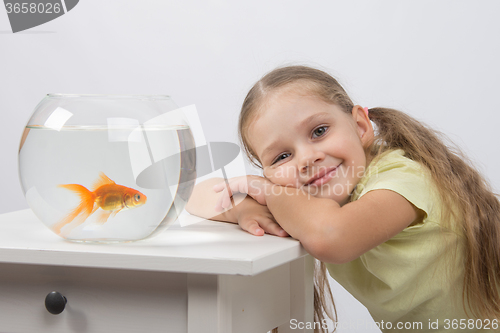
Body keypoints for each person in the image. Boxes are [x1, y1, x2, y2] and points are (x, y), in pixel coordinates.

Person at [185, 65, 500, 332]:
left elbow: (333, 237)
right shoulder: (306, 198)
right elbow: (193, 195)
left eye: (319, 131)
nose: (306, 159)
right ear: (266, 170)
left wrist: (268, 191)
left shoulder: (403, 178)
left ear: (361, 126)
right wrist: (244, 208)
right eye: (282, 156)